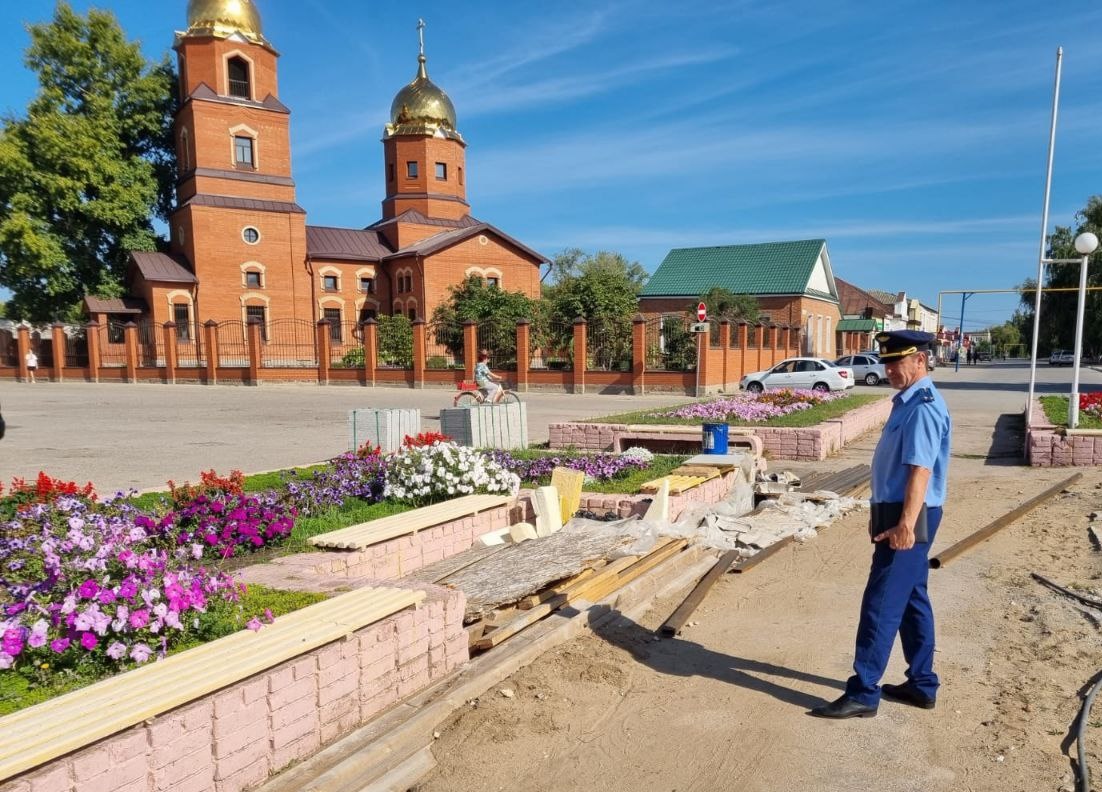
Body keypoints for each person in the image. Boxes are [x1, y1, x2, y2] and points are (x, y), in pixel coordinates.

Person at [811, 330, 951, 719]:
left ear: (920, 360)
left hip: (909, 512)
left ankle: (863, 693)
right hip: (898, 510)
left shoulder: (922, 406)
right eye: (885, 362)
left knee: (881, 603)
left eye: (896, 361)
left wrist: (905, 524)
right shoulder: (908, 401)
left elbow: (920, 471)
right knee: (911, 599)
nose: (888, 369)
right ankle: (922, 684)